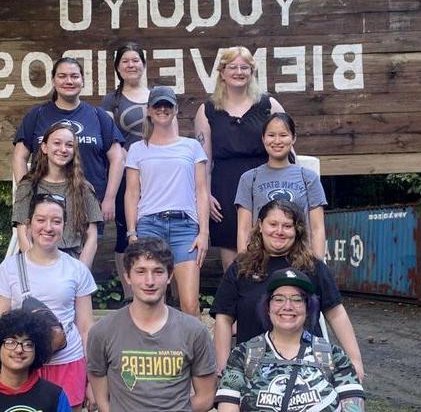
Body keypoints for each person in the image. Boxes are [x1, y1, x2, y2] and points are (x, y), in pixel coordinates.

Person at [211, 199, 365, 381]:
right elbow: (223, 318)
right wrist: (223, 368)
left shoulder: (312, 266)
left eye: (287, 226)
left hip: (309, 369)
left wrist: (355, 361)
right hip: (254, 370)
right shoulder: (241, 267)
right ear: (260, 226)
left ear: (296, 230)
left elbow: (336, 314)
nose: (279, 231)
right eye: (273, 224)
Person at [0, 194, 97, 411]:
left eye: (56, 221)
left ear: (64, 226)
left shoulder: (77, 269)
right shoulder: (9, 269)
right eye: (41, 220)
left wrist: (92, 379)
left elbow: (86, 327)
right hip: (23, 365)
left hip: (69, 362)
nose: (48, 227)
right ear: (29, 224)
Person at [86, 237, 217, 412]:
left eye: (158, 271)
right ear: (127, 277)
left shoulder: (194, 331)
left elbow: (206, 397)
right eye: (140, 271)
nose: (150, 281)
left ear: (170, 275)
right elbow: (101, 396)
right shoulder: (102, 331)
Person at [215, 268, 365, 411]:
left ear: (308, 308)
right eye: (279, 299)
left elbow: (353, 406)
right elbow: (228, 406)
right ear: (268, 307)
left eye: (297, 299)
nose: (287, 306)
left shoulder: (333, 357)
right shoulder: (242, 355)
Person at [194, 46, 286, 270]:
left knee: (269, 250)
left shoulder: (269, 106)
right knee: (233, 263)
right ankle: (236, 304)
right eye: (232, 67)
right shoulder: (206, 110)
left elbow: (285, 147)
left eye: (244, 67)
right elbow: (203, 162)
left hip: (265, 187)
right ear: (222, 73)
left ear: (252, 72)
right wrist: (206, 195)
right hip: (225, 191)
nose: (238, 72)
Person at [12, 56, 125, 231]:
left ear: (82, 81)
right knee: (44, 255)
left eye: (74, 76)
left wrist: (109, 198)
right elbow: (19, 157)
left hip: (88, 205)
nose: (69, 81)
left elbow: (117, 158)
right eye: (62, 76)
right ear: (53, 81)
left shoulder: (98, 115)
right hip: (44, 208)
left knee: (85, 255)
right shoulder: (37, 114)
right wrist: (26, 193)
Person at [124, 86, 209, 317]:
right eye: (158, 105)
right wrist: (132, 233)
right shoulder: (137, 149)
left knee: (190, 304)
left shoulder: (191, 147)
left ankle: (193, 353)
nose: (163, 109)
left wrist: (203, 233)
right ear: (149, 111)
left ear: (176, 110)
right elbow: (132, 193)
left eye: (167, 105)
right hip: (150, 225)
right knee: (150, 298)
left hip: (185, 228)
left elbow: (201, 191)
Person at [235, 112, 327, 258]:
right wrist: (244, 265)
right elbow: (244, 228)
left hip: (299, 259)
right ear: (263, 138)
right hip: (261, 259)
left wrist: (318, 267)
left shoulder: (308, 178)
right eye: (271, 135)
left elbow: (317, 228)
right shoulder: (249, 178)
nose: (277, 141)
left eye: (283, 135)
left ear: (293, 138)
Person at [12, 121, 103, 265]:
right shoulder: (28, 186)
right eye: (57, 143)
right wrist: (37, 267)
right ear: (44, 147)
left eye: (69, 145)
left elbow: (92, 236)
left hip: (72, 261)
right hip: (35, 261)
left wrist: (81, 272)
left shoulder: (84, 188)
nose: (63, 149)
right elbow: (22, 233)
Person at [101, 42, 150, 299]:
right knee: (125, 232)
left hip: (155, 176)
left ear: (144, 63)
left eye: (135, 60)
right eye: (125, 62)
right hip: (124, 175)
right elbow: (109, 138)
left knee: (156, 231)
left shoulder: (157, 96)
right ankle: (130, 294)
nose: (131, 65)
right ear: (118, 68)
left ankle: (166, 295)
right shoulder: (113, 100)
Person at [0, 309, 72, 412]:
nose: (19, 350)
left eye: (28, 344)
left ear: (37, 349)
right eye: (10, 342)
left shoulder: (54, 396)